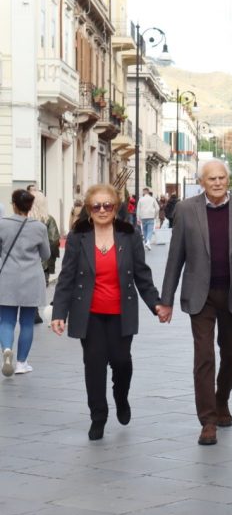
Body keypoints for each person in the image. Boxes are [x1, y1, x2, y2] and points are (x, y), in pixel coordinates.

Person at [158, 160, 232, 446]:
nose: (218, 183)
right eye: (212, 179)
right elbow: (175, 257)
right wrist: (166, 300)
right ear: (202, 182)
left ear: (227, 180)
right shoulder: (186, 209)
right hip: (201, 294)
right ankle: (208, 420)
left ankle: (222, 400)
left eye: (222, 178)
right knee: (204, 356)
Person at [50, 184, 162, 440]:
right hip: (89, 313)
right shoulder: (79, 235)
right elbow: (66, 276)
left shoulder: (128, 234)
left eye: (107, 205)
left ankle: (120, 397)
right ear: (89, 210)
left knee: (122, 362)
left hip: (121, 311)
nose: (102, 210)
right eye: (96, 206)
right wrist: (59, 313)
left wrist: (156, 304)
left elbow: (142, 274)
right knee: (94, 365)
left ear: (116, 207)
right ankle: (98, 416)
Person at [0, 190, 50, 377]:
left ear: (13, 204)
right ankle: (21, 363)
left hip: (7, 277)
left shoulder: (2, 224)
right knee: (27, 322)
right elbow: (46, 254)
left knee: (6, 320)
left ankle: (6, 349)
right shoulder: (39, 227)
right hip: (31, 278)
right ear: (30, 206)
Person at [28, 190, 60, 284]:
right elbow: (53, 242)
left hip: (23, 265)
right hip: (43, 265)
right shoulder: (48, 219)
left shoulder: (22, 220)